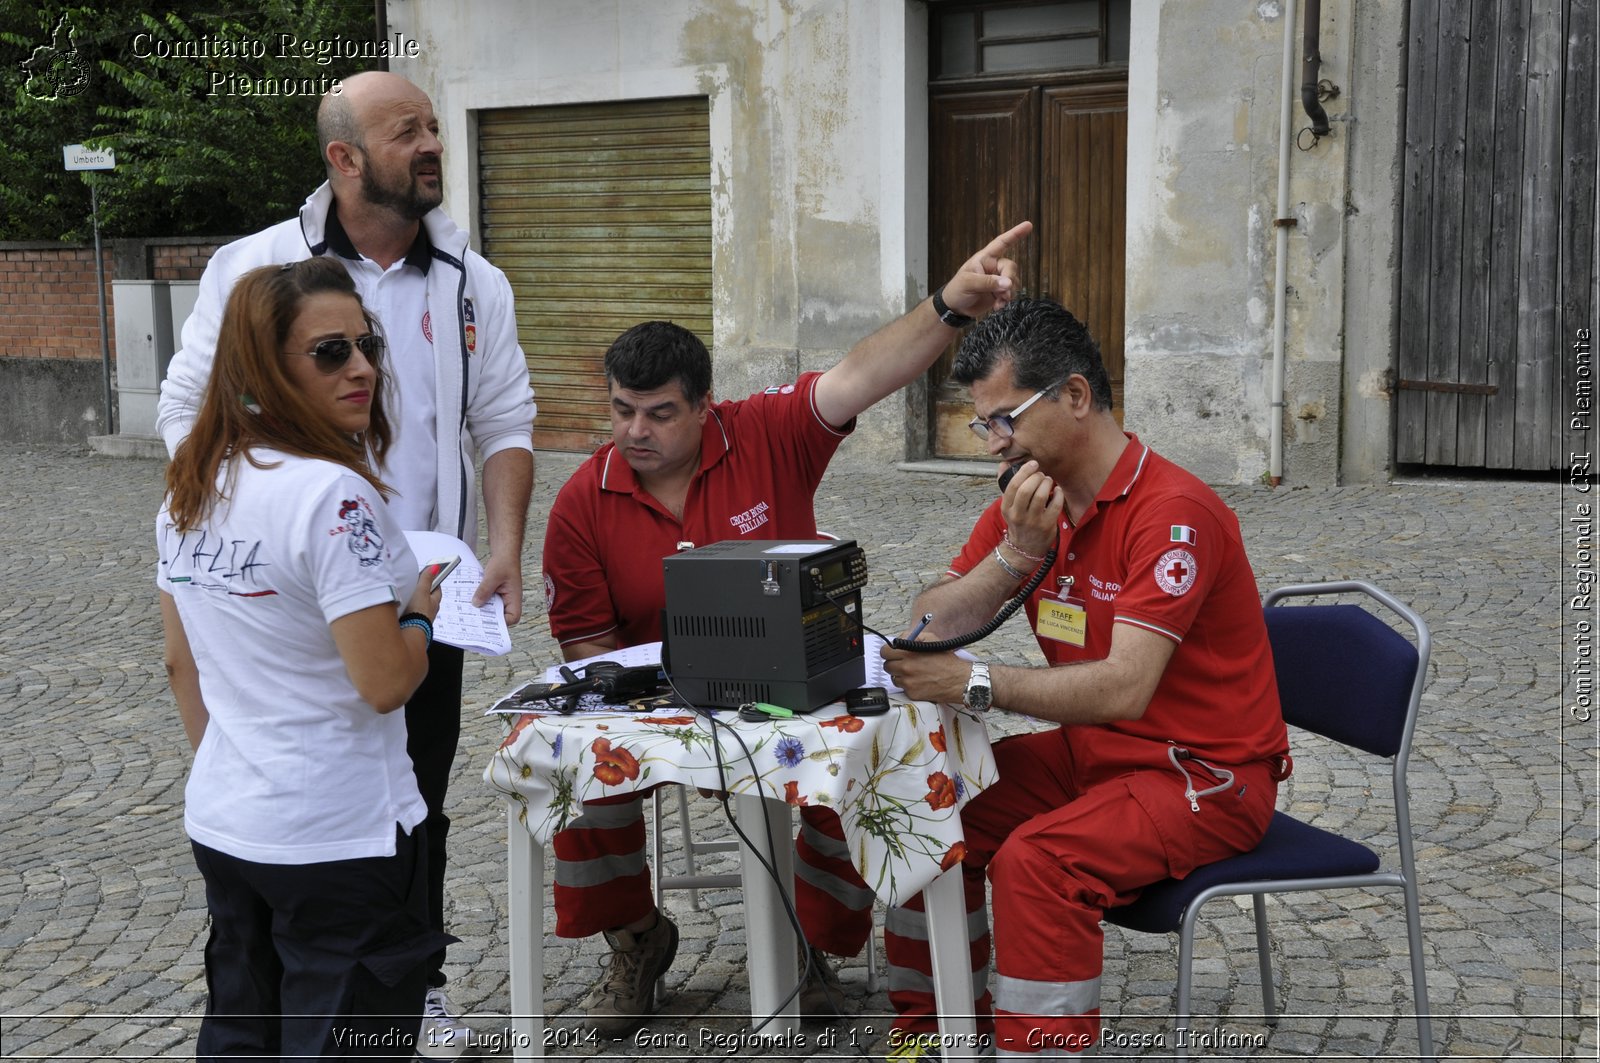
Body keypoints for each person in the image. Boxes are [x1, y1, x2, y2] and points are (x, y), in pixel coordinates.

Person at [540, 223, 1032, 1033]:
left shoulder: (770, 432)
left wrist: (949, 306)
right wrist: (665, 715)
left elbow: (862, 375)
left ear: (705, 406)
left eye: (660, 413)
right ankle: (636, 940)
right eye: (623, 411)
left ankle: (814, 946)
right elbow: (585, 650)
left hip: (796, 691)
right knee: (581, 779)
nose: (636, 432)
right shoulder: (580, 501)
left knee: (859, 766)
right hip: (662, 708)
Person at [156, 71, 536, 1054]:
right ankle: (319, 996)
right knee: (294, 820)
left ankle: (416, 990)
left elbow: (502, 421)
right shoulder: (256, 267)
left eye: (433, 128)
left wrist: (502, 547)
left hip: (425, 590)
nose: (430, 145)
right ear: (344, 156)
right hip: (291, 587)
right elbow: (182, 414)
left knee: (416, 799)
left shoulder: (470, 277)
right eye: (405, 130)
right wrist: (271, 517)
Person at [878, 298, 1293, 1060]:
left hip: (1202, 775)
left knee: (1037, 862)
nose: (992, 444)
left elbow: (1123, 689)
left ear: (1073, 396)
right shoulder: (1029, 498)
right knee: (927, 812)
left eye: (1004, 419)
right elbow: (928, 624)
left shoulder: (1173, 514)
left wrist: (974, 683)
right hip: (1099, 755)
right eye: (985, 424)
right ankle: (934, 1034)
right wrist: (1014, 557)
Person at [157, 258, 453, 1060]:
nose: (362, 367)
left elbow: (182, 665)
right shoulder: (333, 496)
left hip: (229, 819)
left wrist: (248, 768)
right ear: (264, 368)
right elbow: (387, 680)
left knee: (243, 1036)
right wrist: (421, 615)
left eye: (368, 344)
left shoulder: (190, 486)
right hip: (338, 835)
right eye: (330, 352)